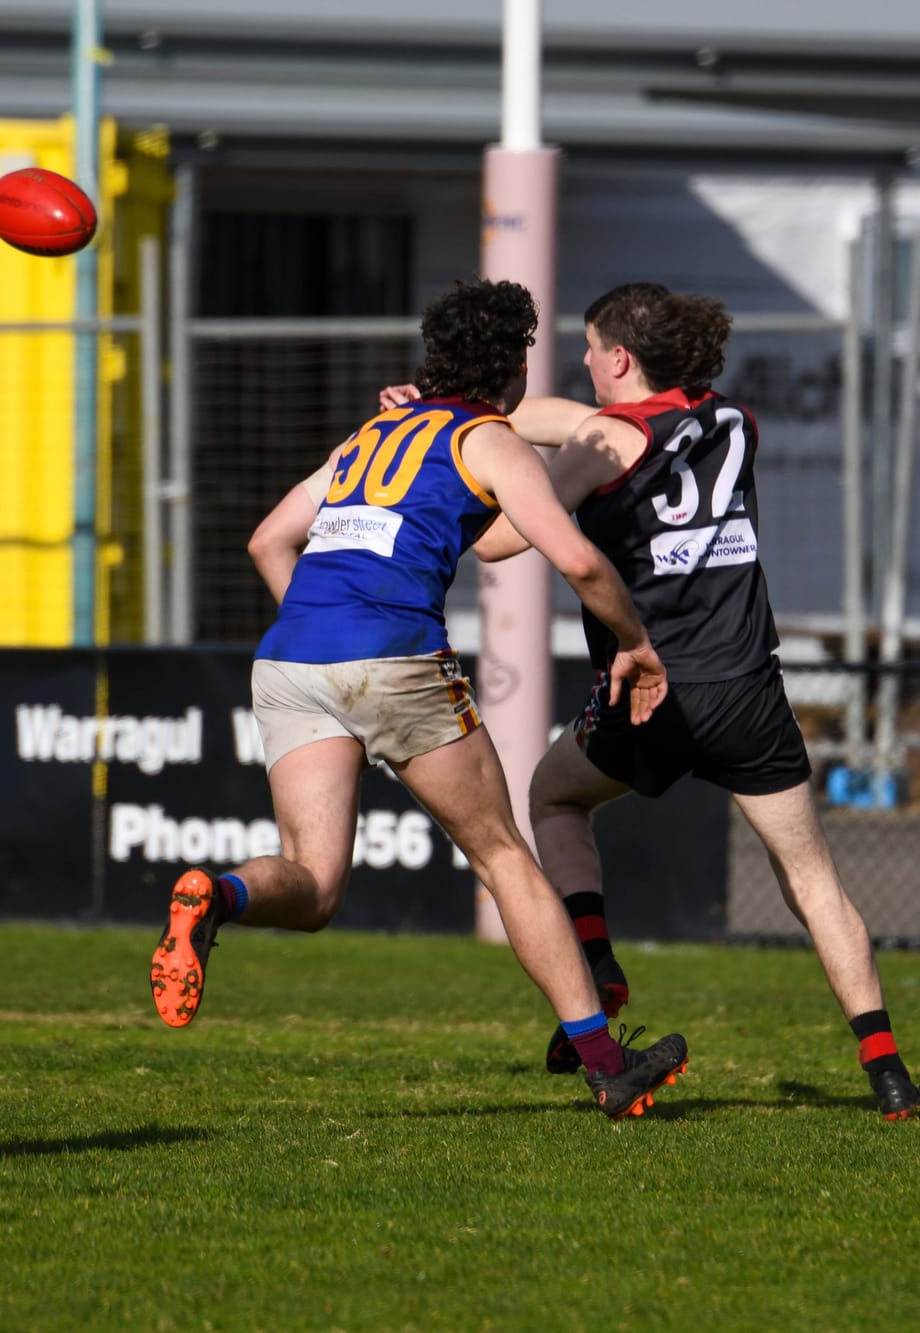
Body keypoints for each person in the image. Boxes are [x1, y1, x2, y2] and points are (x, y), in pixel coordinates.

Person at [382, 281, 920, 1120]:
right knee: (813, 881)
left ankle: (598, 961)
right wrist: (464, 408)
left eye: (590, 344)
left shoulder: (603, 439)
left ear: (619, 357)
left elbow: (503, 539)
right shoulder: (732, 423)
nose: (580, 357)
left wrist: (457, 437)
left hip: (649, 692)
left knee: (553, 794)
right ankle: (889, 1072)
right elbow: (588, 422)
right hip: (749, 690)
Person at [149, 278, 691, 1121]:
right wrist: (636, 644)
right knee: (505, 855)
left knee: (316, 886)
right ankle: (605, 1063)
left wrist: (325, 633)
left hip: (290, 658)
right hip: (394, 658)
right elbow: (579, 563)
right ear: (511, 365)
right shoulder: (489, 439)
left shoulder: (371, 434)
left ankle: (216, 896)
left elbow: (268, 538)